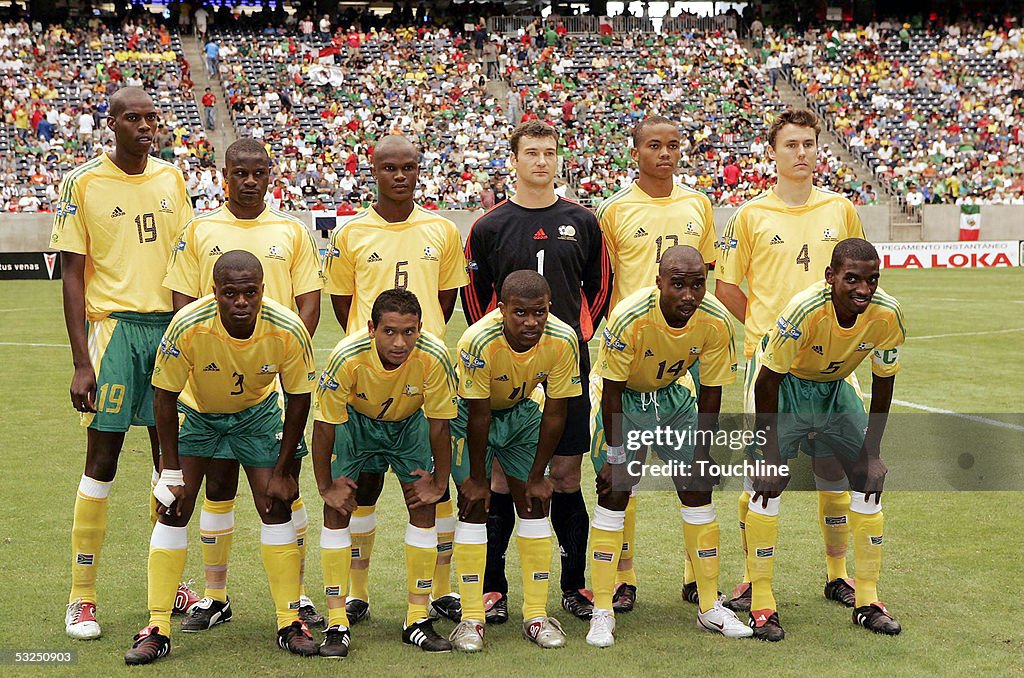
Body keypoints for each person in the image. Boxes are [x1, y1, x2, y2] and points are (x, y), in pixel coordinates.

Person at [715, 108, 868, 638]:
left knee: (836, 472)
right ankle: (753, 583)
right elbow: (729, 288)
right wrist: (768, 330)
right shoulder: (750, 216)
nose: (802, 153)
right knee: (766, 476)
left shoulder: (841, 209)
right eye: (791, 145)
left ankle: (838, 575)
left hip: (835, 365)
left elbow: (860, 276)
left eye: (809, 144)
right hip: (773, 366)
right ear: (773, 153)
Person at [123, 251, 319, 665]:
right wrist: (169, 470)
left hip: (258, 414)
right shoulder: (188, 325)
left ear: (263, 290)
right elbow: (164, 396)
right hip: (198, 414)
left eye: (250, 292)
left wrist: (283, 471)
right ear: (215, 293)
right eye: (231, 293)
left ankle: (289, 621)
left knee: (275, 504)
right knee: (174, 507)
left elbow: (300, 396)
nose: (242, 301)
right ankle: (157, 626)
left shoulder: (287, 328)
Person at [163, 138, 325, 632]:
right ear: (224, 174)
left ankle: (295, 599)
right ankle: (215, 597)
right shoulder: (200, 228)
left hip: (271, 377)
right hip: (211, 383)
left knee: (282, 492)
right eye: (241, 172)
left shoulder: (291, 231)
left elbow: (309, 302)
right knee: (217, 486)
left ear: (270, 175)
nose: (250, 181)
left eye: (259, 173)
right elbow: (182, 302)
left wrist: (275, 357)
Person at [52, 87, 196, 640]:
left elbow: (185, 259)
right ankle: (82, 597)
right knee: (103, 460)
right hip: (114, 333)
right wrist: (80, 361)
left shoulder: (171, 178)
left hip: (169, 330)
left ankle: (168, 587)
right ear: (110, 123)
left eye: (151, 117)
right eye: (132, 117)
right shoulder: (83, 181)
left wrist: (186, 331)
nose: (144, 126)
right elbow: (71, 272)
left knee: (171, 464)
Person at [463, 120, 612, 622]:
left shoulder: (584, 221)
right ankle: (494, 587)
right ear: (515, 160)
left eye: (549, 153)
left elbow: (599, 288)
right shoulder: (488, 226)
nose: (541, 161)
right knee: (505, 479)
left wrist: (574, 336)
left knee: (567, 475)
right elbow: (476, 299)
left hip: (566, 363)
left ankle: (574, 586)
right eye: (532, 153)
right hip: (506, 366)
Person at [321, 134, 467, 626]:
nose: (400, 176)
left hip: (425, 372)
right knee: (360, 487)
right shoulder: (350, 234)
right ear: (374, 171)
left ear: (419, 170)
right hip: (366, 373)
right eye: (390, 168)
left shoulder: (443, 229)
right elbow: (344, 303)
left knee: (429, 489)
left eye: (408, 167)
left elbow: (445, 301)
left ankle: (439, 591)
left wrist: (415, 340)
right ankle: (357, 594)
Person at [585, 245, 750, 647]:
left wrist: (701, 454)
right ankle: (602, 610)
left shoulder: (714, 321)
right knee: (616, 490)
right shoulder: (631, 317)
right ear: (659, 282)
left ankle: (709, 606)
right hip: (621, 402)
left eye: (697, 285)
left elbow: (711, 393)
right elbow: (611, 390)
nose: (689, 295)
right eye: (678, 285)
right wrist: (617, 455)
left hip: (675, 398)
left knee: (698, 487)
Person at [745, 238, 906, 640]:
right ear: (830, 277)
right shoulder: (804, 311)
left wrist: (873, 453)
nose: (863, 290)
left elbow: (884, 384)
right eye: (852, 279)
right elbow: (767, 382)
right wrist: (769, 453)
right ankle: (761, 599)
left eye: (871, 280)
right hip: (782, 389)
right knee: (767, 483)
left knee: (869, 478)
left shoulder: (887, 315)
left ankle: (865, 599)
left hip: (834, 388)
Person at [594, 116, 718, 612]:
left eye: (671, 145)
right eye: (653, 145)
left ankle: (695, 577)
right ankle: (623, 578)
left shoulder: (698, 204)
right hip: (628, 359)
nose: (663, 154)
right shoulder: (613, 209)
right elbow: (602, 282)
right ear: (635, 151)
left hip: (677, 368)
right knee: (623, 476)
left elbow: (705, 275)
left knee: (693, 475)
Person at [312, 289, 458, 656]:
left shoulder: (434, 356)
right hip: (356, 424)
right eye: (390, 331)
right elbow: (324, 426)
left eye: (409, 332)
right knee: (338, 507)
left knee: (423, 505)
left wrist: (440, 482)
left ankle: (417, 617)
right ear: (371, 328)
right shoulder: (346, 357)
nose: (399, 342)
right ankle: (336, 621)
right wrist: (324, 486)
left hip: (408, 426)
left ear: (420, 329)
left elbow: (440, 424)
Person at [449, 270, 581, 651]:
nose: (531, 322)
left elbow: (557, 412)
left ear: (549, 308)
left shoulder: (562, 338)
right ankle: (472, 618)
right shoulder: (477, 340)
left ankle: (536, 616)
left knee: (536, 501)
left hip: (522, 413)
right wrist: (477, 477)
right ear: (501, 308)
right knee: (474, 504)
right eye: (520, 313)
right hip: (469, 416)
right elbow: (478, 415)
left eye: (539, 312)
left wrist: (539, 474)